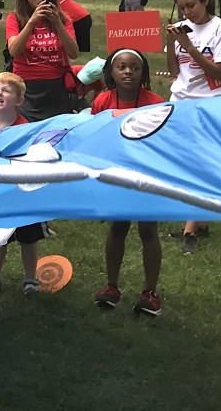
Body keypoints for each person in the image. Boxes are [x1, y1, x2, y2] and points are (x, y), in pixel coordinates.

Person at [89, 49, 167, 316]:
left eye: (134, 68)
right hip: (116, 175)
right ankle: (111, 286)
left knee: (148, 230)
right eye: (121, 67)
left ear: (143, 73)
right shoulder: (102, 101)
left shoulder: (156, 102)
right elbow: (94, 136)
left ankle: (150, 292)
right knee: (118, 227)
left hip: (147, 175)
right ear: (111, 72)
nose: (128, 72)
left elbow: (164, 141)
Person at [163, 0, 221, 252]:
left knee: (201, 163)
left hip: (210, 103)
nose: (187, 13)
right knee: (183, 161)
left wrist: (190, 46)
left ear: (205, 0)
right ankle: (201, 218)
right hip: (181, 100)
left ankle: (190, 230)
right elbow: (174, 70)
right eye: (182, 8)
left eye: (191, 5)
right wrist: (172, 43)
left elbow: (219, 72)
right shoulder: (182, 29)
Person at [0, 73, 48, 296]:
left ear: (19, 100)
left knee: (28, 237)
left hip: (20, 193)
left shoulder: (24, 127)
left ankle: (30, 279)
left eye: (6, 90)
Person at [6, 0, 79, 122]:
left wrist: (57, 23)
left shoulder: (63, 19)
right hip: (26, 88)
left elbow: (73, 53)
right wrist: (32, 21)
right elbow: (14, 51)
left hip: (57, 87)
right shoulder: (15, 18)